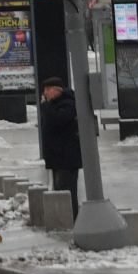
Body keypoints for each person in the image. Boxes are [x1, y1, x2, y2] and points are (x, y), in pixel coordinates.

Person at [38, 77, 82, 216]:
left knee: (66, 191)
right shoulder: (55, 104)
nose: (45, 93)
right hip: (58, 157)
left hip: (66, 158)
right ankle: (66, 218)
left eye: (47, 90)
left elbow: (57, 120)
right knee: (60, 190)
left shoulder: (68, 103)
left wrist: (45, 106)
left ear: (57, 90)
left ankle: (71, 218)